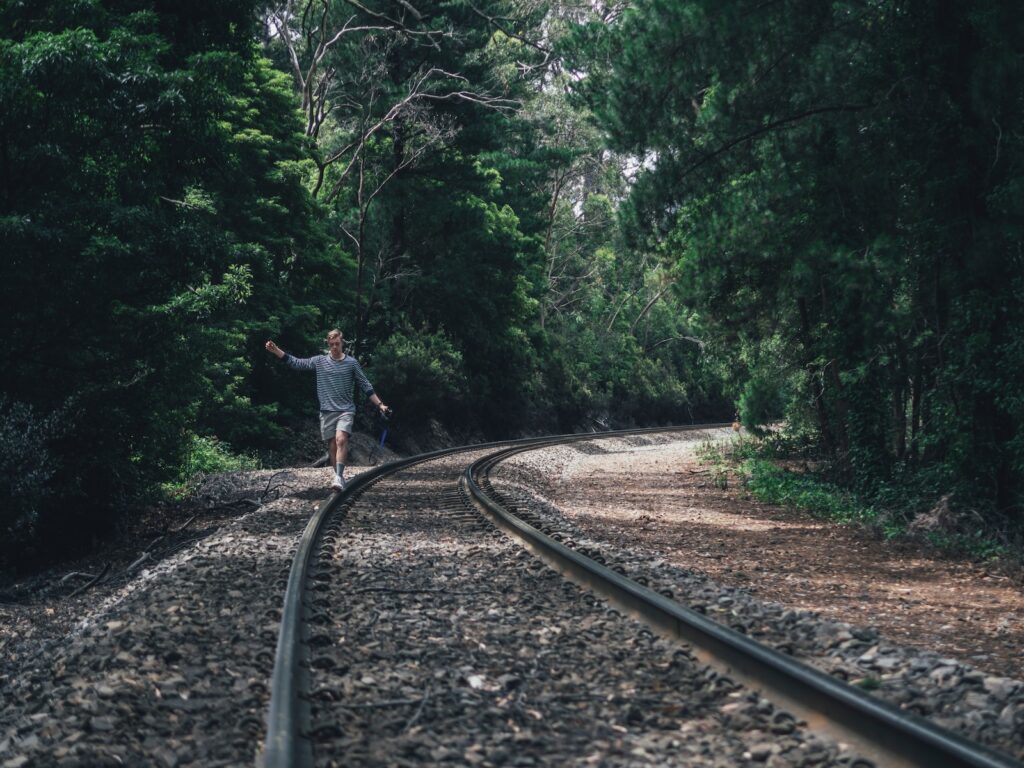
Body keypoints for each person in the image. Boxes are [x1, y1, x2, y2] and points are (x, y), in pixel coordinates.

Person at [265, 330, 388, 492]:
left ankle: (338, 477)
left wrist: (380, 404)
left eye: (337, 344)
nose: (335, 347)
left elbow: (365, 385)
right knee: (332, 445)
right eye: (332, 345)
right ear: (328, 344)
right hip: (327, 411)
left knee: (341, 439)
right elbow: (297, 363)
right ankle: (339, 476)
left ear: (342, 343)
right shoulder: (320, 361)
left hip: (346, 410)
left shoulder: (351, 363)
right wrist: (276, 351)